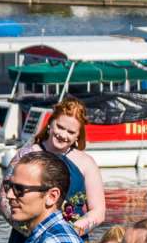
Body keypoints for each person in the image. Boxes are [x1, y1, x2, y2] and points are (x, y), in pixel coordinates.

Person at [33, 99, 107, 233]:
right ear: (50, 123)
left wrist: (71, 232)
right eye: (60, 127)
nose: (63, 135)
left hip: (71, 238)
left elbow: (98, 212)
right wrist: (33, 231)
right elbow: (4, 201)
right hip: (29, 237)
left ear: (78, 136)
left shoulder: (87, 163)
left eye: (71, 132)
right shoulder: (27, 154)